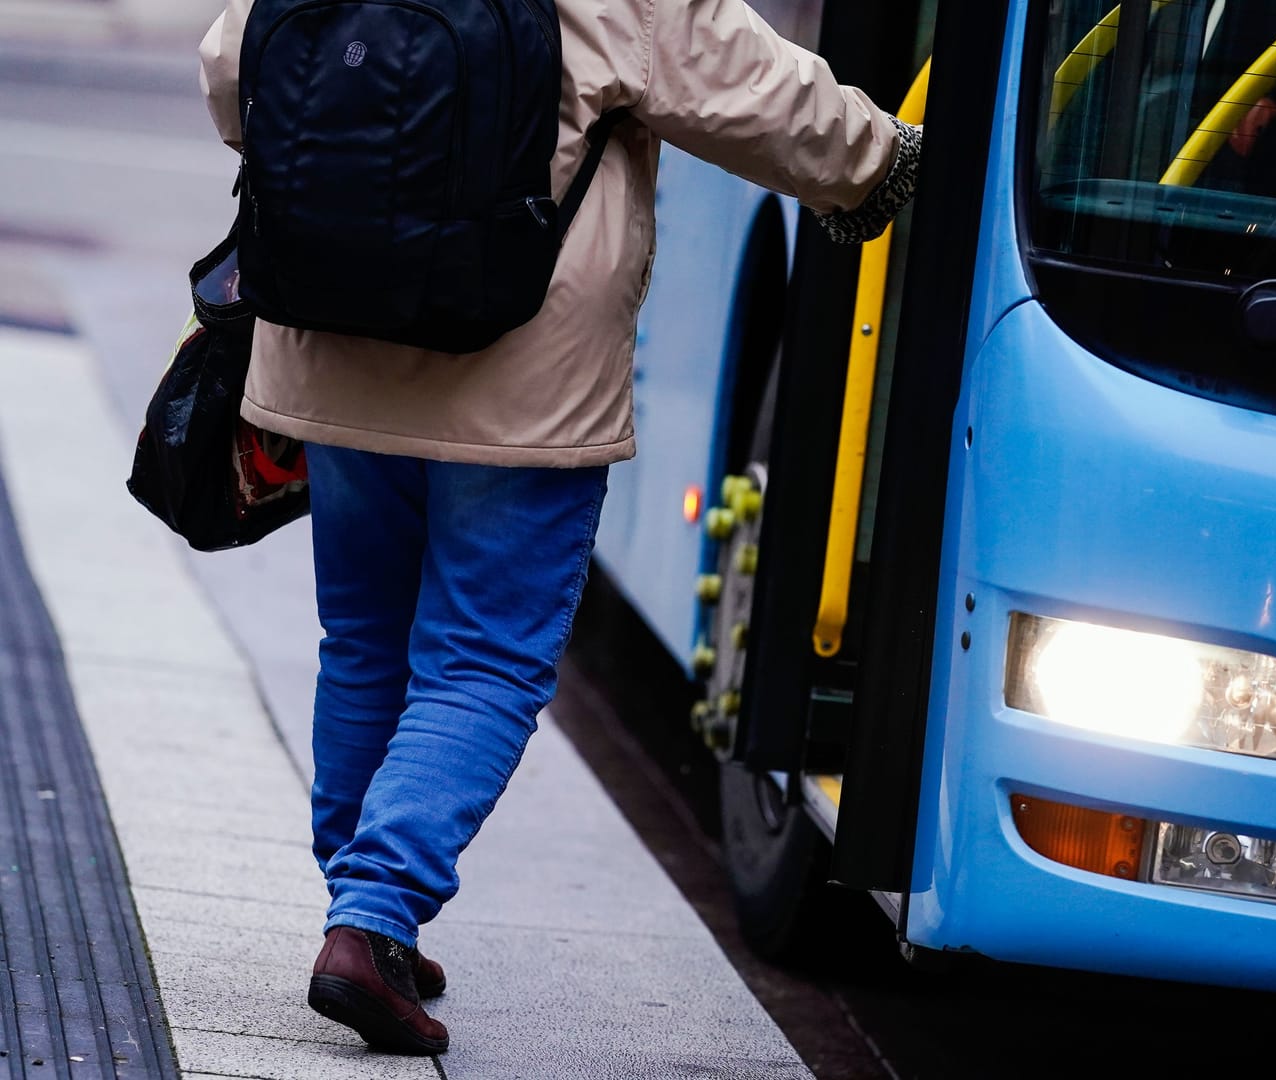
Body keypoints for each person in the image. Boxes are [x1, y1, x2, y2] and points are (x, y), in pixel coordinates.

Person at [197, 0, 920, 1055]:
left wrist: (362, 178)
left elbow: (231, 69)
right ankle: (373, 915)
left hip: (334, 331)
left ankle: (362, 907)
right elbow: (739, 78)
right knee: (483, 660)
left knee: (364, 639)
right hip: (519, 372)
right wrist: (882, 162)